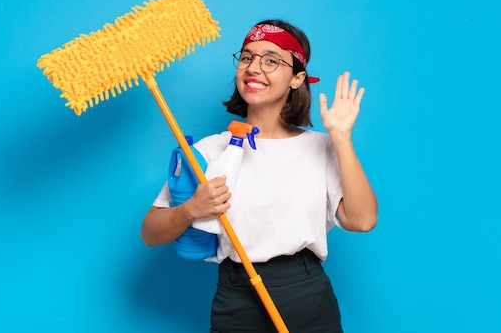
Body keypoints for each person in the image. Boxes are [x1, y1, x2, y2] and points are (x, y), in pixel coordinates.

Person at [141, 19, 378, 332]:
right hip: (235, 296)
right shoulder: (209, 151)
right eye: (247, 57)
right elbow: (150, 233)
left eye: (271, 60)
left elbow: (361, 221)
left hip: (305, 294)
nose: (253, 68)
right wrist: (190, 210)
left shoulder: (321, 147)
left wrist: (341, 137)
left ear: (297, 78)